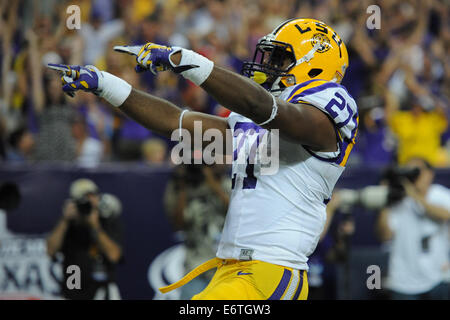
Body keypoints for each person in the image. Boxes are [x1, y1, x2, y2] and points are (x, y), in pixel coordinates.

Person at [48, 18, 358, 300]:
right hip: (234, 270)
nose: (270, 64)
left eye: (281, 57)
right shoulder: (258, 117)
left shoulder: (327, 106)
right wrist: (106, 85)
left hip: (270, 272)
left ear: (315, 64)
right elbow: (177, 121)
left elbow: (261, 106)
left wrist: (185, 60)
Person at [376, 157, 450, 300]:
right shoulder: (399, 200)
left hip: (438, 277)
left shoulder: (440, 194)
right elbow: (384, 235)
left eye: (417, 171)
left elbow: (445, 215)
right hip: (404, 281)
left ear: (430, 174)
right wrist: (385, 199)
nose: (413, 176)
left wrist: (413, 194)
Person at [46, 179, 123, 300]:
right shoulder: (68, 224)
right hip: (74, 285)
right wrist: (65, 221)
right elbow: (50, 251)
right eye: (84, 198)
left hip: (102, 288)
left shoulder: (107, 219)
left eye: (92, 195)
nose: (89, 201)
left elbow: (114, 255)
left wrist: (95, 226)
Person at [164, 164, 231, 299]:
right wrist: (183, 188)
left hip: (225, 267)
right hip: (195, 266)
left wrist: (212, 182)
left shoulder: (226, 183)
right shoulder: (182, 188)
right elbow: (178, 224)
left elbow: (236, 213)